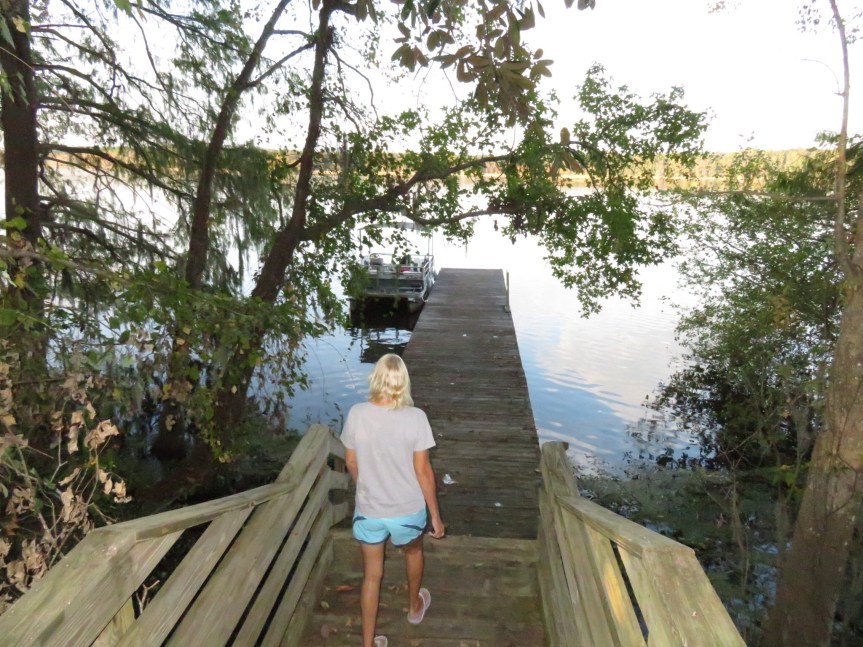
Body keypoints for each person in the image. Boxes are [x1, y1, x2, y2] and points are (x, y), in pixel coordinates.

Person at [341, 353, 446, 647]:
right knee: (413, 552)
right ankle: (413, 607)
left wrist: (365, 487)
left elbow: (350, 461)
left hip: (369, 511)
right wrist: (435, 517)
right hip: (407, 511)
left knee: (371, 576)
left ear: (375, 378)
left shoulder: (357, 414)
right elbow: (422, 472)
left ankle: (367, 644)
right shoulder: (416, 418)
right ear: (404, 382)